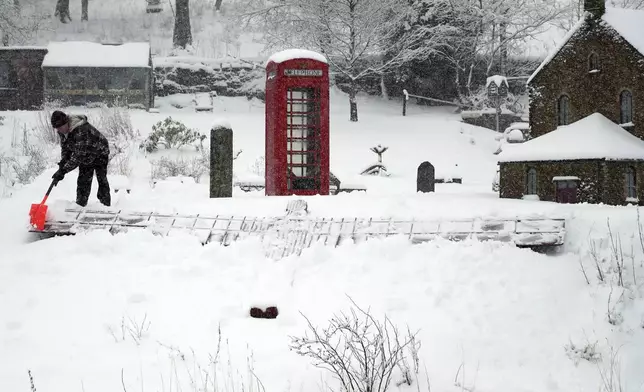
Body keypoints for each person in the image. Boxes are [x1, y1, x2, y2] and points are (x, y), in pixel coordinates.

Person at [51, 110, 111, 207]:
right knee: (83, 179)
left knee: (101, 178)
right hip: (86, 153)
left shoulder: (80, 130)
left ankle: (105, 205)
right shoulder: (63, 131)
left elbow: (78, 156)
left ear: (67, 123)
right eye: (57, 128)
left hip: (100, 151)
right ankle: (80, 205)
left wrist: (64, 171)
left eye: (61, 127)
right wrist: (62, 164)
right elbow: (66, 148)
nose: (60, 130)